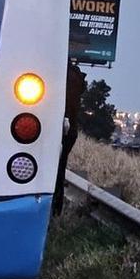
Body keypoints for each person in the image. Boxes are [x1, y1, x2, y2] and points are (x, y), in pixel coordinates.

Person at [53, 58, 87, 215]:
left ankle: (54, 206)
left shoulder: (57, 74)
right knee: (59, 168)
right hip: (68, 131)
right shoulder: (75, 76)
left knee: (56, 169)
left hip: (55, 129)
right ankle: (56, 208)